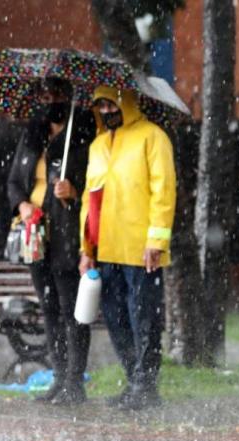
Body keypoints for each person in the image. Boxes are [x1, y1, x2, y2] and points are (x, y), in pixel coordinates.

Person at [78, 86, 176, 411]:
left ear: (127, 102)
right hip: (106, 250)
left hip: (140, 250)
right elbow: (89, 202)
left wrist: (156, 242)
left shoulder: (152, 137)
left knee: (144, 318)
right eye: (100, 105)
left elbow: (163, 192)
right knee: (117, 319)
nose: (106, 110)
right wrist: (86, 247)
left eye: (110, 103)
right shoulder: (96, 146)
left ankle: (146, 386)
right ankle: (135, 381)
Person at [6, 78, 95, 405]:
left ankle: (76, 381)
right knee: (49, 309)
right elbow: (14, 181)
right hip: (35, 237)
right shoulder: (32, 136)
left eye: (56, 95)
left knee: (72, 310)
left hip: (67, 234)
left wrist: (74, 192)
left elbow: (96, 187)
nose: (50, 101)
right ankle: (59, 377)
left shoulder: (84, 136)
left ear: (69, 99)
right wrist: (23, 205)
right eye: (44, 95)